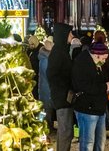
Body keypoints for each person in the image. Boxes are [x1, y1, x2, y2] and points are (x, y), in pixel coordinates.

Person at [72, 41, 109, 151]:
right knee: (88, 142)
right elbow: (84, 86)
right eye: (103, 58)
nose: (104, 61)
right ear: (96, 55)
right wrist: (104, 87)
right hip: (87, 108)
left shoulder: (96, 63)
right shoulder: (82, 63)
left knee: (100, 141)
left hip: (98, 107)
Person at [47, 23, 75, 151]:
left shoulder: (62, 50)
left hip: (64, 96)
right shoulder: (58, 52)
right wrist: (65, 89)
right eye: (70, 33)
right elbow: (52, 75)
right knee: (65, 131)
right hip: (62, 97)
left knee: (66, 131)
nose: (72, 35)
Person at [38, 37, 55, 132]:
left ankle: (46, 125)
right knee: (45, 109)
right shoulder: (46, 59)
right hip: (46, 88)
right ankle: (42, 126)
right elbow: (48, 74)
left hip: (45, 87)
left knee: (46, 108)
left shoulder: (44, 57)